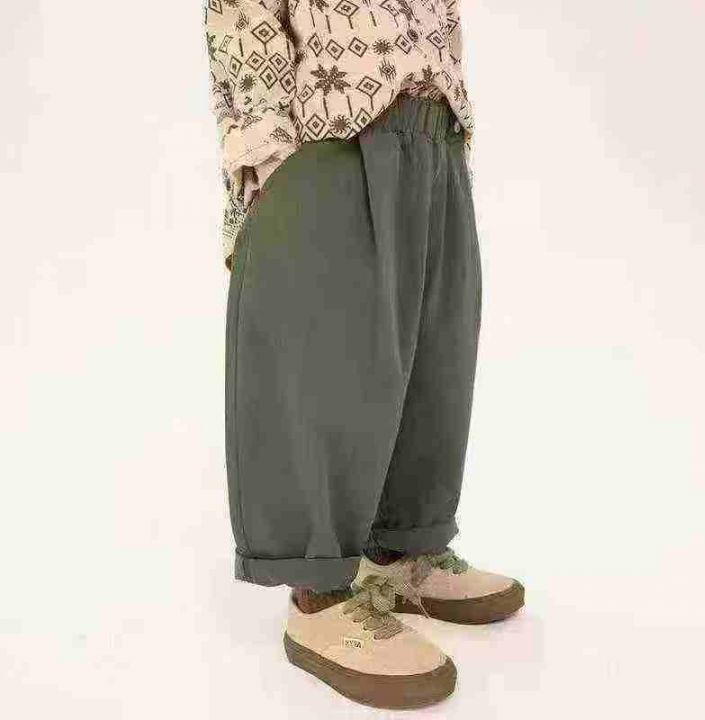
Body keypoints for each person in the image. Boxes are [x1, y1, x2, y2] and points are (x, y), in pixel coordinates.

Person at [204, 0, 524, 709]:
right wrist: (270, 164)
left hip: (433, 136)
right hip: (331, 133)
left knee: (435, 355)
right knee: (326, 366)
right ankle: (318, 596)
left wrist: (452, 138)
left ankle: (404, 551)